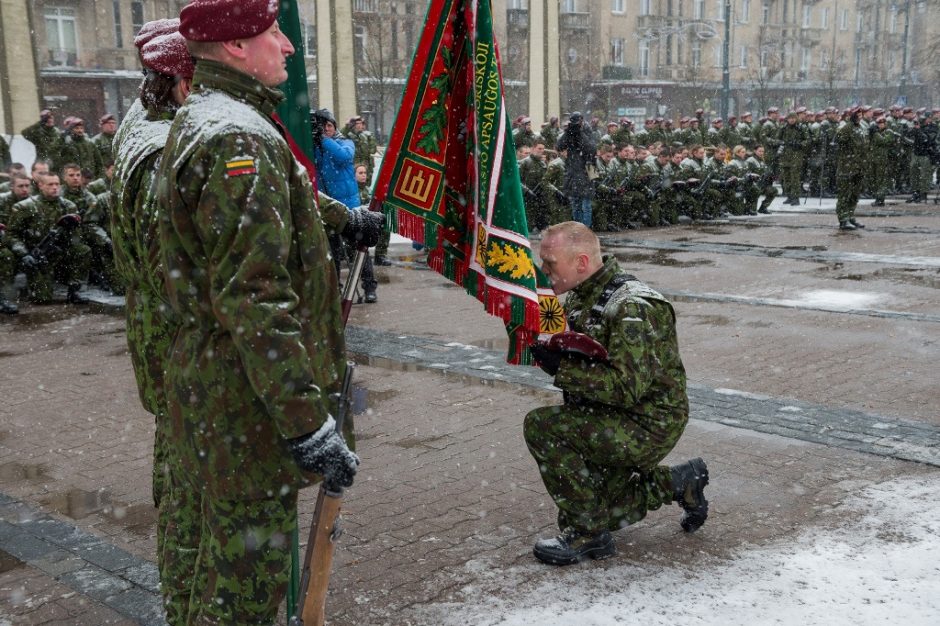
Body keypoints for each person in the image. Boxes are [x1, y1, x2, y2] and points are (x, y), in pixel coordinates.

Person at [155, 2, 380, 622]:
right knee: (245, 595)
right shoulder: (238, 137)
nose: (285, 47)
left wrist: (346, 220)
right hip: (245, 409)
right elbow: (252, 295)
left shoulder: (214, 119)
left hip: (219, 394)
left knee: (222, 571)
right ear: (233, 48)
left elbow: (286, 208)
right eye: (272, 35)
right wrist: (306, 422)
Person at [526, 222, 708, 566]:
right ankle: (679, 481)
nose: (543, 272)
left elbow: (626, 388)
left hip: (647, 422)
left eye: (550, 264)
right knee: (605, 508)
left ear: (581, 262)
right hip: (611, 413)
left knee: (543, 427)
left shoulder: (633, 307)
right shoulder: (583, 291)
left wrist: (561, 370)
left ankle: (589, 536)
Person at [110, 31, 193, 623]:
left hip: (163, 343)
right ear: (185, 84)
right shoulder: (165, 153)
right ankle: (191, 606)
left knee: (180, 477)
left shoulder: (142, 124)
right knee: (192, 497)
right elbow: (184, 276)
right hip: (184, 352)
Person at [312, 107, 379, 302]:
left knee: (358, 250)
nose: (326, 129)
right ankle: (336, 289)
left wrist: (324, 140)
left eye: (329, 126)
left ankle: (369, 287)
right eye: (322, 127)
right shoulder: (317, 147)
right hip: (329, 209)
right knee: (331, 253)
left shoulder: (345, 142)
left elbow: (344, 157)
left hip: (349, 208)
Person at [6, 173, 90, 304]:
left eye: (57, 184)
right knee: (42, 299)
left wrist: (68, 236)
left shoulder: (68, 206)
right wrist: (24, 253)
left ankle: (74, 290)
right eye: (50, 184)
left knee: (82, 250)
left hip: (60, 250)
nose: (55, 187)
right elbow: (11, 234)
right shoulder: (25, 207)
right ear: (40, 186)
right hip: (37, 256)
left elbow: (77, 235)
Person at [556, 112, 597, 228]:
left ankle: (586, 230)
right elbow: (559, 146)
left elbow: (591, 149)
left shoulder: (588, 131)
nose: (577, 124)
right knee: (575, 203)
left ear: (582, 120)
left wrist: (580, 133)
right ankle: (577, 229)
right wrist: (567, 133)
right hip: (573, 169)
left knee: (587, 204)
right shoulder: (569, 132)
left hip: (588, 168)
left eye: (578, 121)